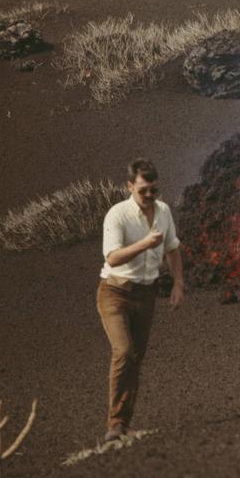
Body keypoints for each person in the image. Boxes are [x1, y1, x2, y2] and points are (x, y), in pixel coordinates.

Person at [96, 158, 184, 442]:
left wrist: (178, 283)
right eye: (143, 190)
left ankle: (121, 425)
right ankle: (114, 425)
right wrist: (145, 243)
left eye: (153, 191)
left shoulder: (164, 212)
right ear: (130, 186)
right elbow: (112, 257)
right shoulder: (117, 215)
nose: (148, 196)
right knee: (123, 352)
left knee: (135, 359)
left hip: (146, 295)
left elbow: (173, 248)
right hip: (115, 294)